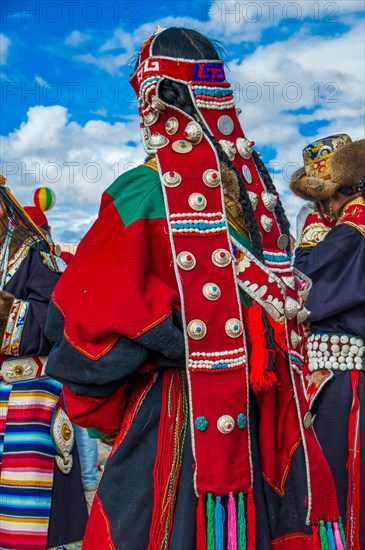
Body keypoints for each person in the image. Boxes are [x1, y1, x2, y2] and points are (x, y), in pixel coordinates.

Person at [46, 28, 342, 549]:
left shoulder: (143, 191)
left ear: (153, 98)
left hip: (176, 426)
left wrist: (154, 359)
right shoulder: (262, 211)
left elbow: (80, 331)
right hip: (266, 425)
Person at [0, 176, 88, 550]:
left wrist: (4, 317)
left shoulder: (31, 250)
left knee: (30, 519)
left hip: (29, 397)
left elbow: (60, 317)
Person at [291, 135, 365, 549]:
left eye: (327, 199)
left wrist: (315, 234)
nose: (322, 209)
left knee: (340, 482)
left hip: (349, 382)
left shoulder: (353, 230)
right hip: (329, 379)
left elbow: (305, 287)